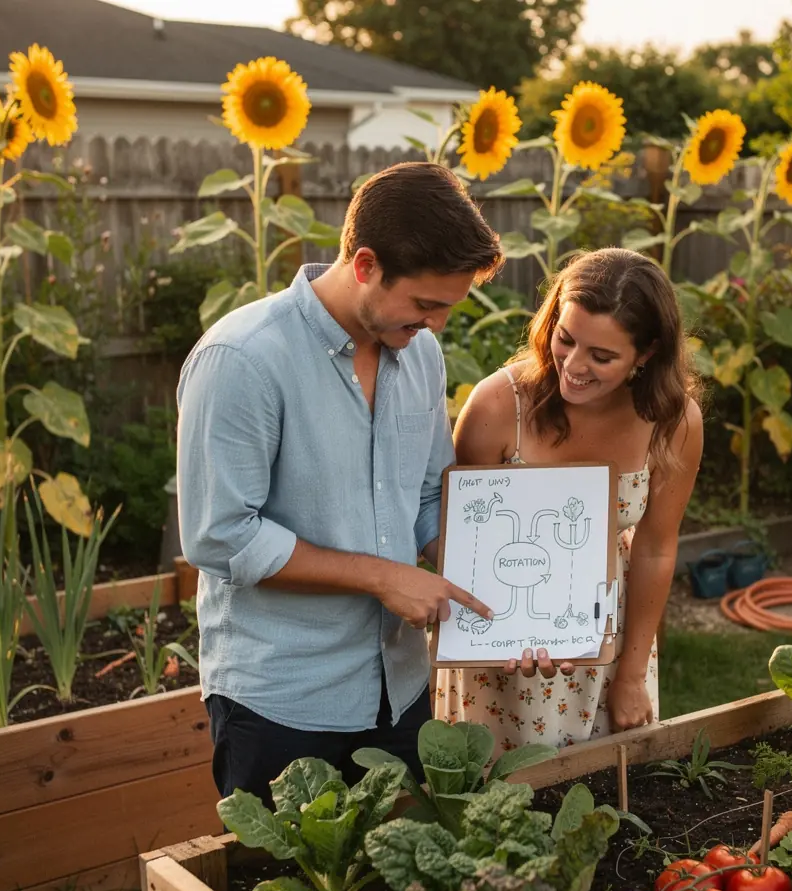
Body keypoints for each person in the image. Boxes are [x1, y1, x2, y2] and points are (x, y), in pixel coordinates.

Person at [176, 161, 502, 806]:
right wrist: (383, 576)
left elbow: (430, 500)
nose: (436, 324)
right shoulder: (241, 360)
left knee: (399, 889)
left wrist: (510, 601)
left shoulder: (419, 353)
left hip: (402, 687)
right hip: (282, 700)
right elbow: (222, 538)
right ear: (365, 265)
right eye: (426, 304)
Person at [433, 248, 703, 751]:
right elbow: (460, 542)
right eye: (565, 339)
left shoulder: (674, 422)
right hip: (498, 635)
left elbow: (655, 548)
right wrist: (502, 636)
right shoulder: (497, 405)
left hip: (608, 642)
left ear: (645, 355)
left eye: (602, 356)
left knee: (605, 804)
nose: (574, 367)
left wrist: (629, 675)